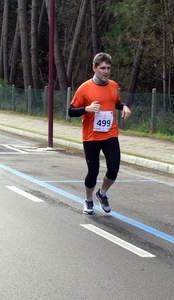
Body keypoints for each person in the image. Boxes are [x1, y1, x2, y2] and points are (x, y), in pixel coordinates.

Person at [68, 52, 131, 215]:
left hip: (110, 135)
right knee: (93, 171)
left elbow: (116, 102)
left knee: (113, 168)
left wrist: (124, 106)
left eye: (108, 68)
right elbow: (71, 111)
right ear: (94, 68)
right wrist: (86, 109)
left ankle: (101, 193)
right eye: (102, 68)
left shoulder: (113, 86)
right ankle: (88, 200)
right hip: (91, 137)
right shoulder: (85, 88)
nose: (106, 72)